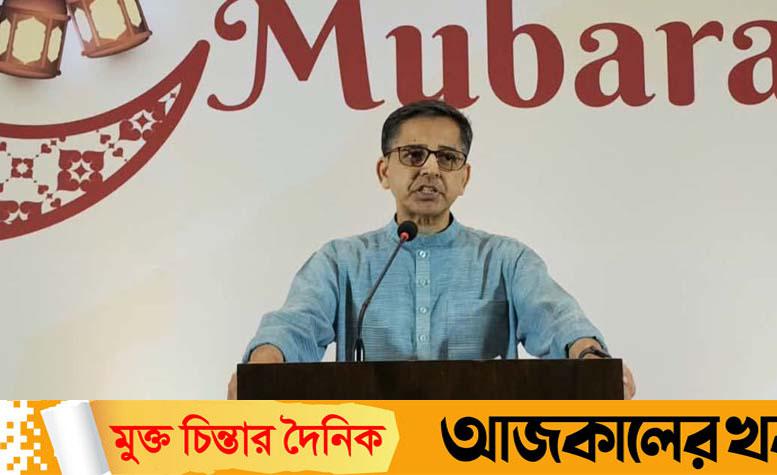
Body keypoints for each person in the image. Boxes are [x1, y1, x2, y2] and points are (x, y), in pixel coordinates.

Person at [227, 100, 635, 399]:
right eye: (413, 155)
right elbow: (296, 324)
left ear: (464, 177)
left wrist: (590, 357)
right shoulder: (340, 262)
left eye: (448, 158)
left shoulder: (507, 261)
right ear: (384, 171)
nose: (431, 169)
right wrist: (264, 364)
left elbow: (556, 317)